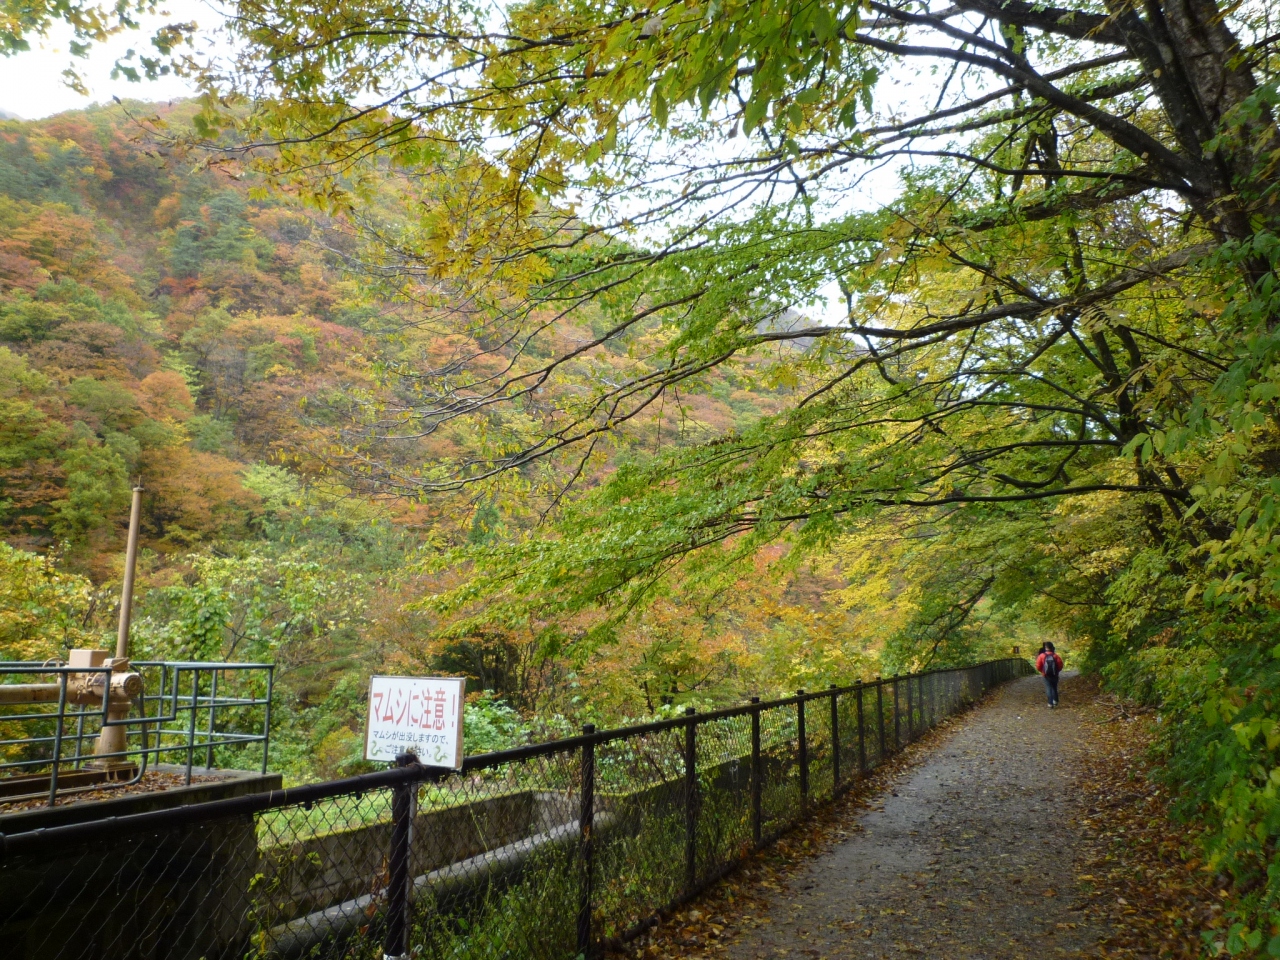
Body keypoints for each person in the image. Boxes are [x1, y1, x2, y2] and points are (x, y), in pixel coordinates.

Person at [1036, 642, 1064, 708]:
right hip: (1054, 675)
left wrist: (1043, 671)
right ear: (1052, 647)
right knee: (1054, 687)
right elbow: (1060, 665)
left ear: (1045, 648)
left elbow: (1038, 666)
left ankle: (1050, 703)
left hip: (1046, 675)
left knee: (1048, 688)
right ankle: (1055, 701)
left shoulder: (1041, 656)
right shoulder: (1055, 656)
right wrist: (1056, 671)